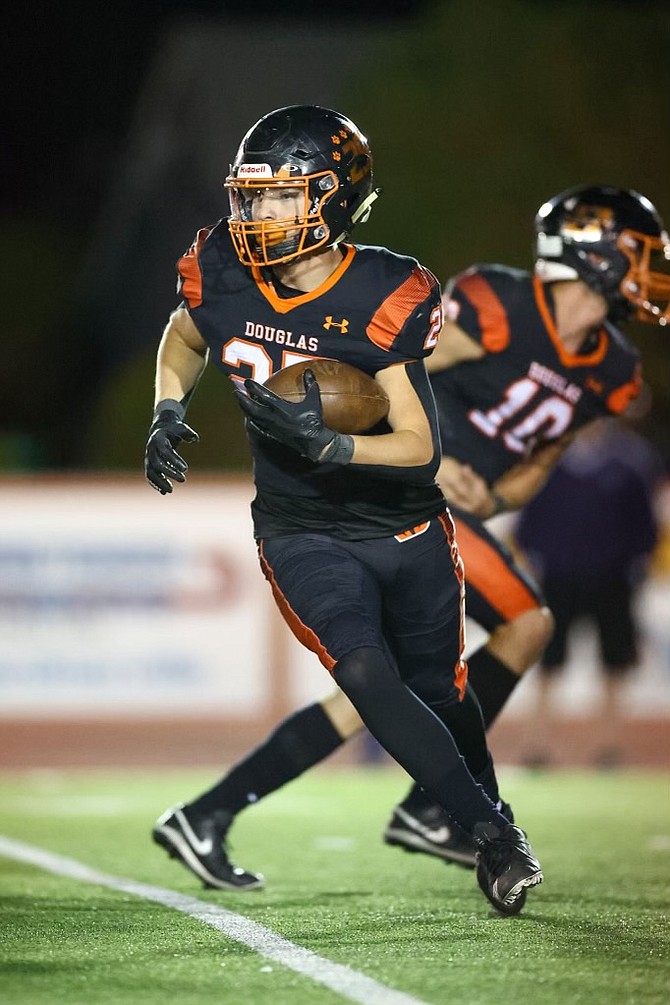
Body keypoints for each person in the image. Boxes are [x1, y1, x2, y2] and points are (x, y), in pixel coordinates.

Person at [149, 180, 670, 884]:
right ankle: (437, 806)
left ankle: (209, 813)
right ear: (595, 250)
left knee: (382, 693)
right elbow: (393, 383)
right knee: (523, 625)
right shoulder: (498, 302)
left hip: (456, 505)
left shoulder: (613, 367)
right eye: (639, 252)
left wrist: (500, 489)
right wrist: (436, 460)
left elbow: (542, 456)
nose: (651, 268)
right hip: (408, 488)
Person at [144, 104, 543, 916]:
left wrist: (334, 448)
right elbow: (186, 333)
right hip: (301, 527)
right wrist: (165, 407)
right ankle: (495, 838)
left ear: (331, 199)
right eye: (250, 196)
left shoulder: (383, 287)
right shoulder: (220, 263)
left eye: (279, 197)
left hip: (404, 521)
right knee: (361, 668)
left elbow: (417, 445)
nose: (255, 214)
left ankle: (483, 815)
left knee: (442, 686)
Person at [515, 414, 661, 768]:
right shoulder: (550, 461)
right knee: (550, 663)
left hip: (612, 578)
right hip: (559, 577)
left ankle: (609, 746)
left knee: (613, 662)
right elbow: (529, 522)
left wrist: (633, 566)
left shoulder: (632, 460)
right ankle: (537, 744)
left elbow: (645, 524)